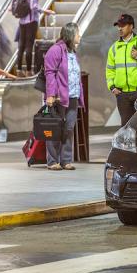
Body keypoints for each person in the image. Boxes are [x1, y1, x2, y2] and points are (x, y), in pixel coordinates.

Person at [44, 22, 84, 171]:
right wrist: (51, 95)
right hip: (58, 98)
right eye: (77, 33)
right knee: (55, 128)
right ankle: (52, 161)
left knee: (69, 128)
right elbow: (50, 73)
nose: (79, 36)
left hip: (73, 96)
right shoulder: (55, 50)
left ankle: (66, 160)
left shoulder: (73, 52)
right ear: (70, 34)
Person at [17, 0, 55, 77]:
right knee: (29, 46)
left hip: (22, 21)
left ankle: (19, 69)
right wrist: (44, 11)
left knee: (21, 45)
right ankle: (29, 70)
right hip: (31, 21)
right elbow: (33, 6)